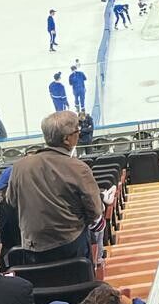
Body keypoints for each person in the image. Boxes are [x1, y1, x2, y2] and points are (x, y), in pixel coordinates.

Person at [7, 110, 103, 264]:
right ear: (67, 139)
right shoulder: (79, 168)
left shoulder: (19, 166)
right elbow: (94, 212)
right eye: (77, 131)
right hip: (70, 247)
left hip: (32, 247)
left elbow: (11, 201)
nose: (79, 134)